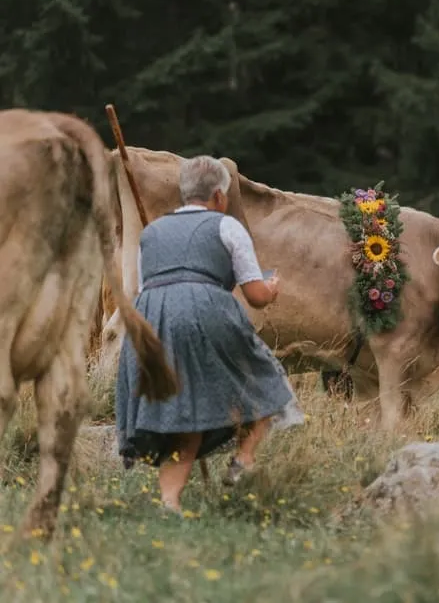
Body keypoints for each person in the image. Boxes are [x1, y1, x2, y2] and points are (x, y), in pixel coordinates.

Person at [116, 155, 304, 513]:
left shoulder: (151, 232)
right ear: (220, 196)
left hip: (150, 319)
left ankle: (169, 502)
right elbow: (255, 297)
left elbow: (145, 288)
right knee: (265, 381)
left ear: (184, 193)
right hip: (205, 309)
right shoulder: (227, 227)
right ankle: (244, 459)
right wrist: (272, 287)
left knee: (182, 413)